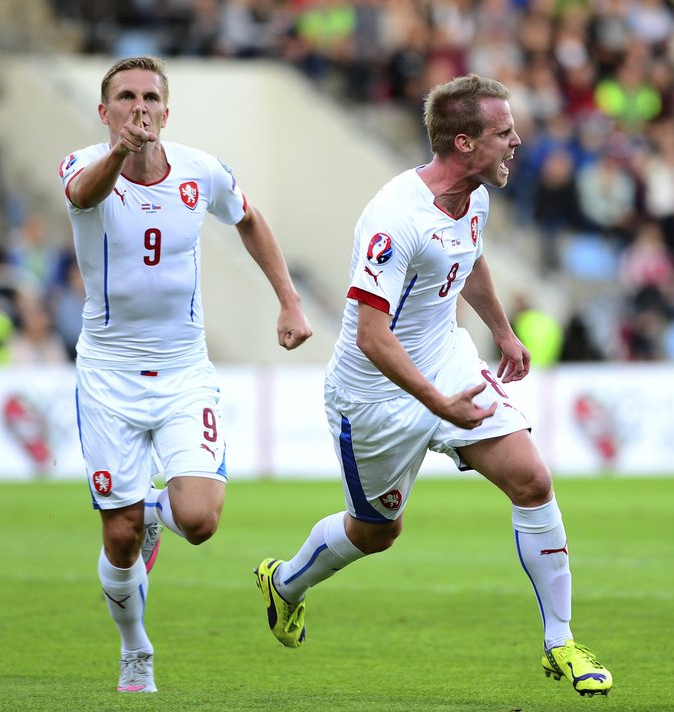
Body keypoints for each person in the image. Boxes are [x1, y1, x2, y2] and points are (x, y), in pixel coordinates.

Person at [253, 74, 612, 697]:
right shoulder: (395, 220)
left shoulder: (475, 192)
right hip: (375, 397)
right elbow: (371, 335)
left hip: (448, 361)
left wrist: (501, 330)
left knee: (532, 479)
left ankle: (561, 643)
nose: (517, 142)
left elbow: (468, 257)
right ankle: (285, 583)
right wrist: (437, 404)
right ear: (465, 143)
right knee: (376, 533)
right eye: (504, 133)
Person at [59, 55, 312, 694]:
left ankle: (151, 509)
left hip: (182, 370)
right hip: (110, 374)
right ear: (105, 110)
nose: (138, 107)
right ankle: (134, 649)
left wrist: (288, 299)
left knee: (198, 521)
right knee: (118, 538)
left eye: (149, 98)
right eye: (125, 97)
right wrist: (120, 153)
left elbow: (249, 218)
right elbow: (84, 196)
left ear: (166, 112)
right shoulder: (83, 165)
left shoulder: (202, 171)